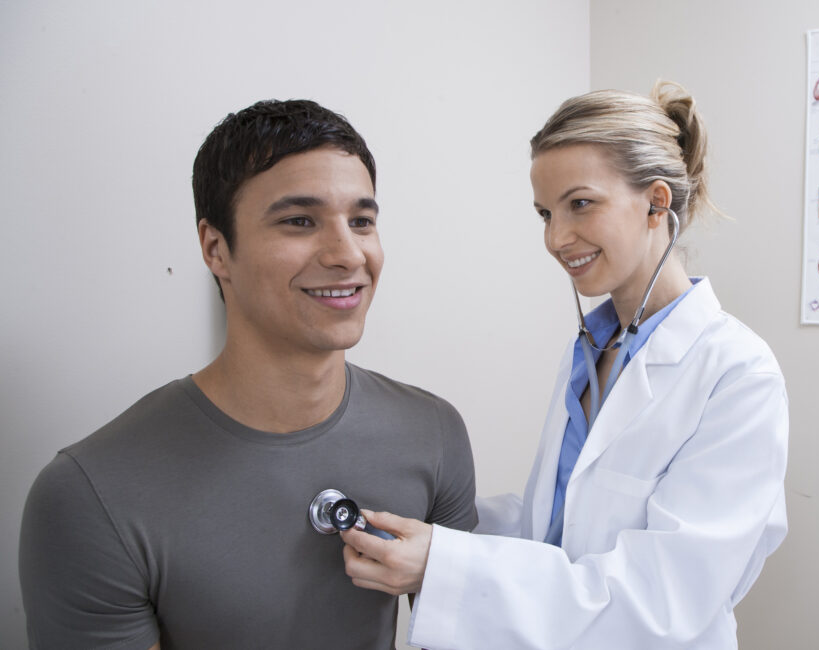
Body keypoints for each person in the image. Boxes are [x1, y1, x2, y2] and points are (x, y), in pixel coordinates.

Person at [340, 81, 789, 648]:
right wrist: (429, 518)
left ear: (656, 202)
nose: (556, 237)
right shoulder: (590, 352)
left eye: (580, 204)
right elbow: (554, 528)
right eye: (545, 213)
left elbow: (664, 603)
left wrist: (445, 564)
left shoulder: (737, 375)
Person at [18, 99, 478, 649]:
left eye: (361, 221)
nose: (347, 253)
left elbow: (466, 631)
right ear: (216, 248)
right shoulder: (89, 495)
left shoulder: (432, 433)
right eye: (299, 221)